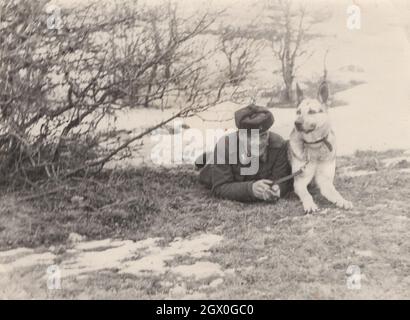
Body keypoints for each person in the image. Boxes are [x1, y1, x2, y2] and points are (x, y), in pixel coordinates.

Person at [195, 104, 292, 202]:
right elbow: (219, 187)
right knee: (208, 163)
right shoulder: (224, 146)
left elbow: (281, 178)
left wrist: (277, 188)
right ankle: (207, 157)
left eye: (263, 136)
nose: (258, 143)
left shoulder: (279, 145)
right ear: (240, 135)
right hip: (213, 170)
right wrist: (251, 189)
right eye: (251, 137)